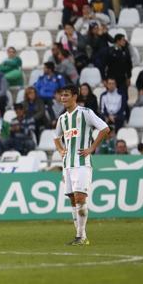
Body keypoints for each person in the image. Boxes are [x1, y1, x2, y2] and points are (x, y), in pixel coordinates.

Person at [54, 84, 110, 246]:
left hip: (82, 163)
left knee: (80, 198)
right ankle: (80, 236)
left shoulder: (86, 113)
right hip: (67, 165)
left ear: (74, 96)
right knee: (73, 199)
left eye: (66, 95)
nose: (63, 98)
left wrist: (92, 148)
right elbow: (56, 137)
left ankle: (81, 236)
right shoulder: (62, 118)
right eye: (61, 96)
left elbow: (105, 129)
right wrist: (60, 150)